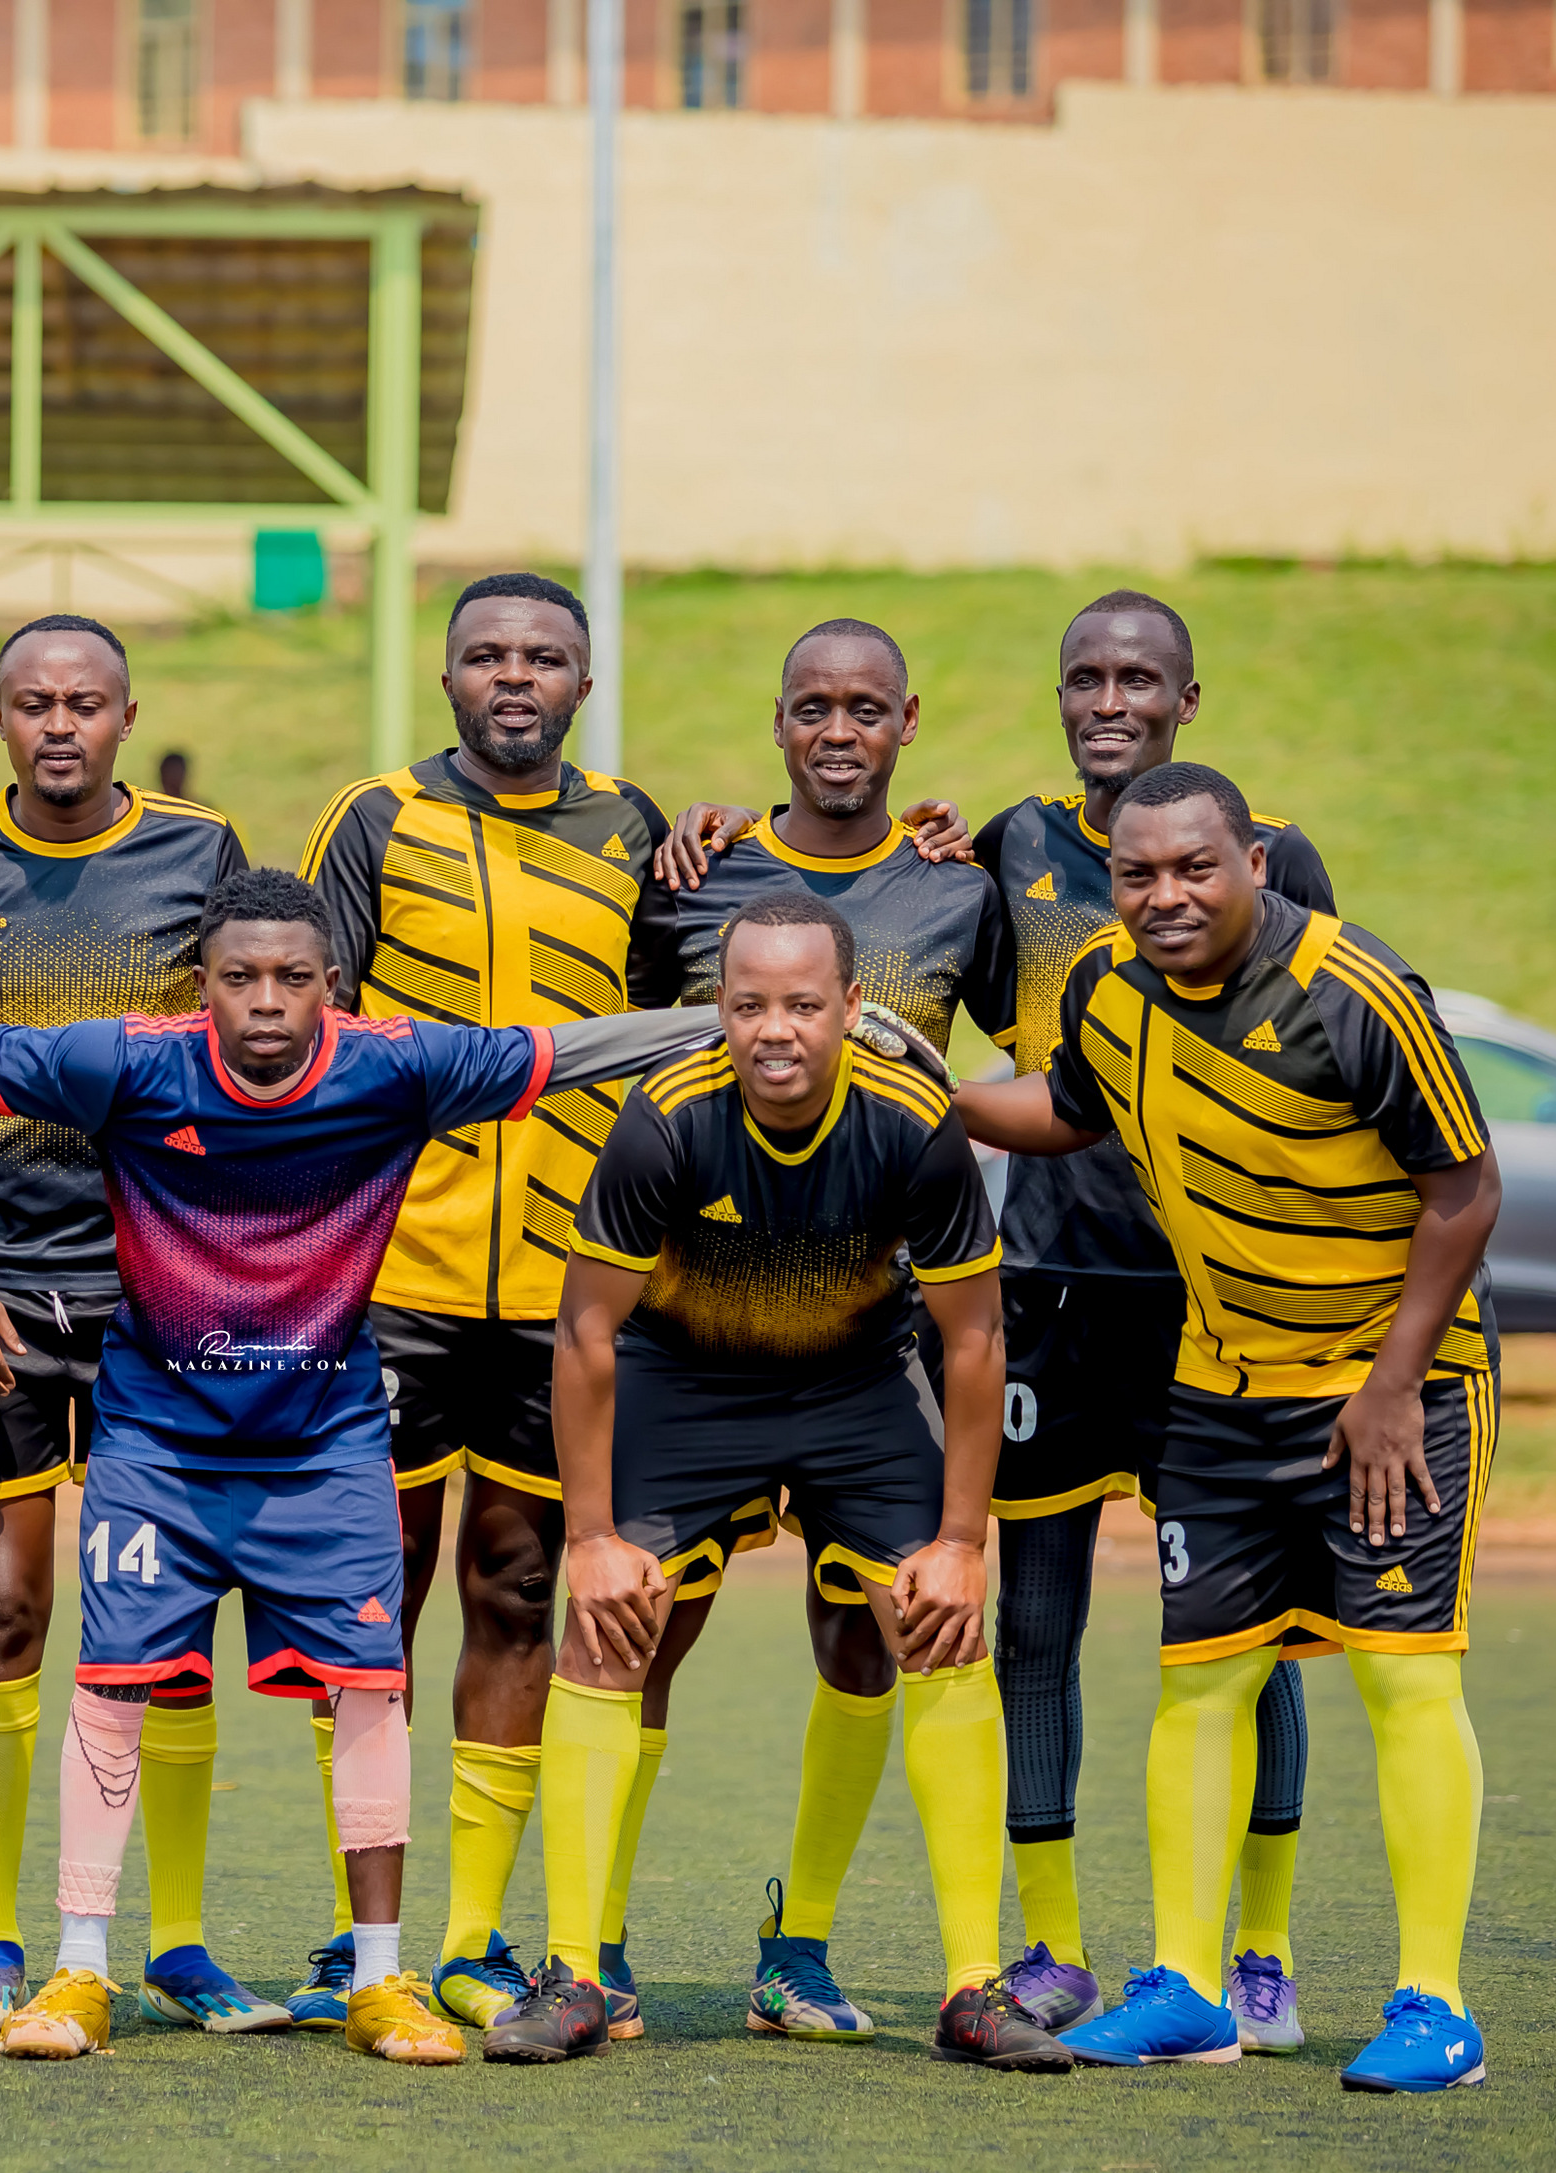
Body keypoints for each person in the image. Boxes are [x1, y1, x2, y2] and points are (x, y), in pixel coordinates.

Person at [0, 866, 726, 2067]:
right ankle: (80, 1969)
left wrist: (731, 1019)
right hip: (156, 1443)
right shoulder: (127, 1062)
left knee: (370, 1684)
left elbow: (571, 1050)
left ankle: (378, 1979)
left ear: (332, 984)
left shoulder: (398, 1066)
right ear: (203, 984)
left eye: (291, 977)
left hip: (325, 1444)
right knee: (113, 1682)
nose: (266, 1001)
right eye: (239, 977)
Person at [954, 763, 1502, 2095]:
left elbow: (1468, 1190)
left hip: (1392, 1393)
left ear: (1254, 861)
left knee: (1404, 1677)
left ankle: (1437, 2006)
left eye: (1195, 867)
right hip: (1220, 1386)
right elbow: (1068, 1110)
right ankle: (1187, 1992)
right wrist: (934, 1090)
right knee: (1202, 1681)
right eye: (1138, 875)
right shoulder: (1107, 986)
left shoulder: (1356, 991)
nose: (1166, 896)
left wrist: (1390, 1387)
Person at [492, 892, 1066, 2072]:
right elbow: (586, 1330)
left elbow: (974, 1338)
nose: (776, 1030)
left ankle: (971, 1986)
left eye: (803, 1005)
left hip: (855, 1381)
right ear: (721, 1006)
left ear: (852, 1008)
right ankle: (577, 1970)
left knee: (938, 1619)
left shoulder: (913, 1120)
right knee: (608, 1625)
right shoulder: (664, 1119)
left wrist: (963, 1540)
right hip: (687, 1374)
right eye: (750, 1004)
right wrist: (591, 1534)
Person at [609, 619, 1017, 2043]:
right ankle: (591, 1949)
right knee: (644, 1628)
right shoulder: (693, 872)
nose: (839, 731)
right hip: (692, 1334)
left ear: (908, 721)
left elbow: (1034, 1064)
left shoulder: (959, 885)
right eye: (813, 708)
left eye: (865, 708)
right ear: (777, 723)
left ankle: (806, 1948)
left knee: (875, 1631)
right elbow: (626, 1060)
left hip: (865, 1339)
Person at [296, 571, 683, 2034]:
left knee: (518, 1586)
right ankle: (367, 1936)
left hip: (565, 1286)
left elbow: (677, 1022)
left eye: (544, 656)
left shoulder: (633, 829)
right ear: (446, 674)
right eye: (486, 654)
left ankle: (469, 1935)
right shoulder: (373, 818)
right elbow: (307, 1031)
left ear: (585, 681)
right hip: (393, 1273)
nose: (514, 675)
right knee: (370, 1599)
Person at [0, 615, 251, 2031]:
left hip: (161, 1290)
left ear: (128, 716)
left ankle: (181, 1941)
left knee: (169, 1619)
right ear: (1, 717)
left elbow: (248, 1057)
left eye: (86, 702)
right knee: (6, 1604)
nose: (61, 724)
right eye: (34, 702)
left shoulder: (202, 852)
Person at [958, 593, 1339, 2043]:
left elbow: (1310, 1049)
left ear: (1189, 700)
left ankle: (1261, 1954)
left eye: (1139, 678)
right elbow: (980, 1021)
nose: (1109, 700)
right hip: (1054, 1291)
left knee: (1247, 1632)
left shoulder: (1271, 849)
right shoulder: (1011, 842)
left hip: (1214, 1301)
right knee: (1034, 1619)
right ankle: (1053, 1946)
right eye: (1085, 677)